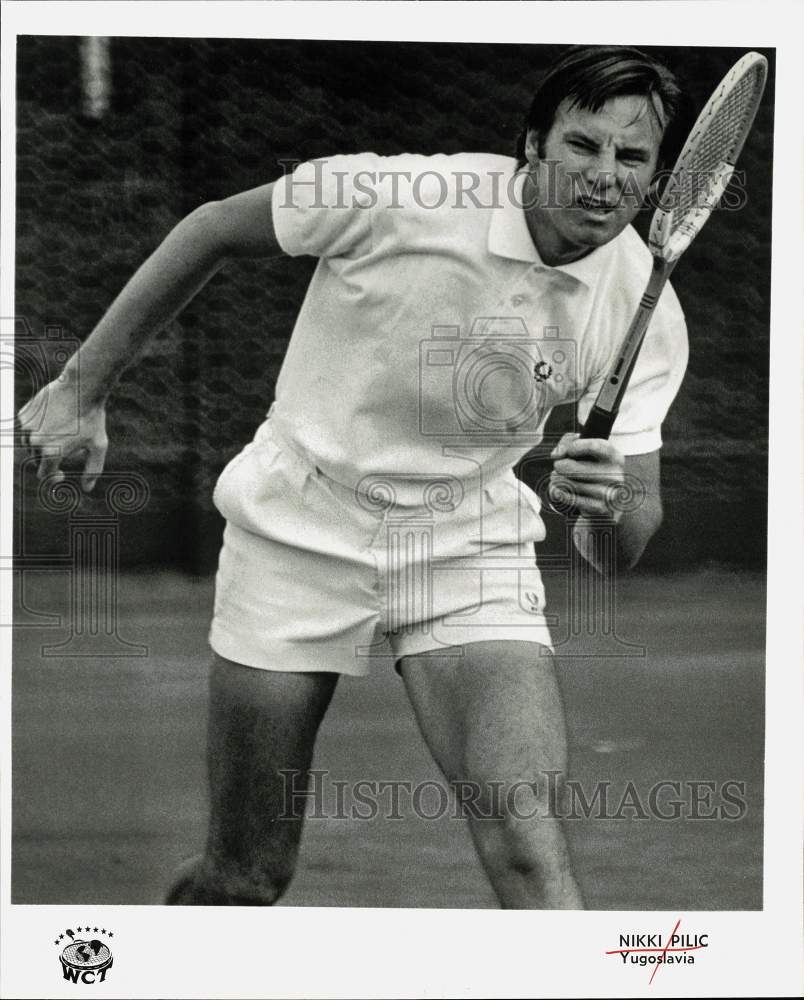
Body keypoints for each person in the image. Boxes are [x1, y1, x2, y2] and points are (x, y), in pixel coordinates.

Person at [17, 45, 689, 909]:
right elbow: (213, 226)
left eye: (631, 157)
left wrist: (607, 503)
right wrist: (81, 388)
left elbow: (619, 549)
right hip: (298, 528)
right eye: (582, 145)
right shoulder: (402, 197)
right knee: (246, 876)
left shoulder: (645, 303)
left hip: (465, 542)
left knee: (528, 842)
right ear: (533, 145)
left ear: (656, 176)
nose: (604, 176)